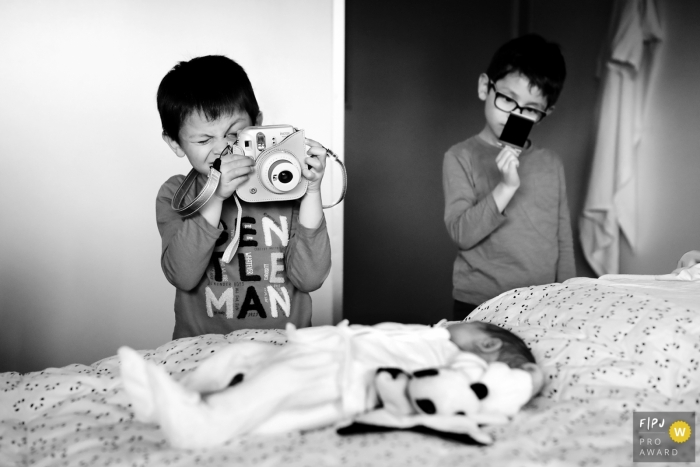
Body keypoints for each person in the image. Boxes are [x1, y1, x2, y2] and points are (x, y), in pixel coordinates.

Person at [119, 319, 543, 448]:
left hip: (344, 373)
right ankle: (179, 398)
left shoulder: (459, 360)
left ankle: (205, 424)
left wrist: (528, 373)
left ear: (486, 343)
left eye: (465, 326)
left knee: (274, 387)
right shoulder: (436, 337)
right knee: (241, 354)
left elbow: (500, 387)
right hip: (319, 349)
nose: (451, 323)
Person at [156, 55, 332, 339]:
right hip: (203, 351)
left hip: (283, 346)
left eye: (235, 134)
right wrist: (215, 195)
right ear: (175, 143)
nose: (223, 148)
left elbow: (310, 279)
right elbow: (183, 276)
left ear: (257, 124)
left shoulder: (285, 186)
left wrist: (310, 191)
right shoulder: (176, 194)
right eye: (204, 140)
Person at [443, 34, 575, 321]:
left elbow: (563, 238)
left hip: (543, 301)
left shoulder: (550, 163)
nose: (514, 114)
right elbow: (461, 235)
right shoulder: (460, 156)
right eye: (507, 98)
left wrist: (568, 295)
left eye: (529, 109)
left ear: (545, 113)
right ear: (484, 88)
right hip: (479, 300)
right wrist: (505, 187)